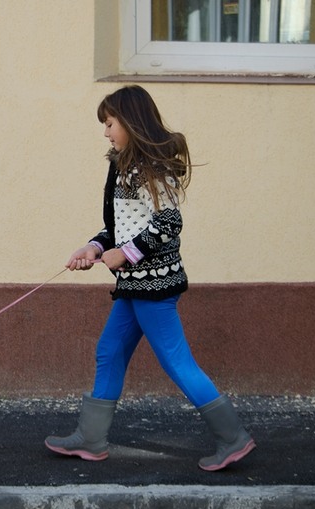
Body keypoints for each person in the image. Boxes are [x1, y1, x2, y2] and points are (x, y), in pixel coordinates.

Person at [45, 85, 255, 471]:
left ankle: (233, 438)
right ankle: (91, 438)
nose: (105, 132)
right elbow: (121, 227)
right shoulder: (124, 168)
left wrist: (124, 254)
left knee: (177, 362)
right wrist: (94, 246)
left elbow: (168, 223)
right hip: (135, 285)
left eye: (110, 123)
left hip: (154, 286)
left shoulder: (150, 169)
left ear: (130, 122)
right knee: (109, 350)